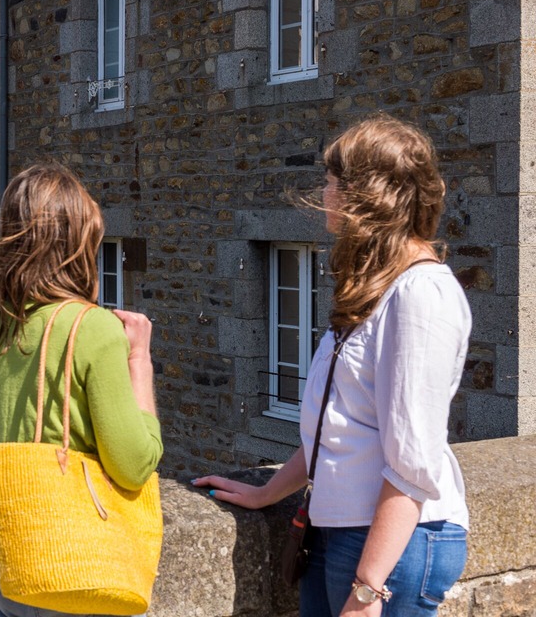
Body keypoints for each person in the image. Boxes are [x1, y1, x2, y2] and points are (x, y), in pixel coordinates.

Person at [194, 115, 471, 617]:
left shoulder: (421, 295)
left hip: (391, 546)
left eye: (330, 182)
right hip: (340, 532)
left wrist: (368, 588)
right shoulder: (375, 288)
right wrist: (267, 493)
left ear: (367, 195)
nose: (323, 192)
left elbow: (413, 462)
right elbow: (338, 427)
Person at [0, 164, 163, 617]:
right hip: (86, 578)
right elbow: (135, 464)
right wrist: (140, 359)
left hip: (19, 577)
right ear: (76, 243)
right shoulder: (93, 328)